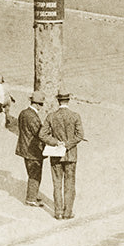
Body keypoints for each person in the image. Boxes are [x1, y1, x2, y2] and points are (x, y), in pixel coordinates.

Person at [41, 90, 84, 220]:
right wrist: (67, 144)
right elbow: (80, 135)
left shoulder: (51, 116)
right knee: (70, 184)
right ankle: (68, 212)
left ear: (58, 101)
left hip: (55, 155)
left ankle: (58, 212)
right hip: (70, 156)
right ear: (68, 100)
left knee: (57, 183)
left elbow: (42, 134)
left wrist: (55, 142)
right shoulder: (75, 116)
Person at [15, 91, 46, 207]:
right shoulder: (33, 116)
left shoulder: (23, 113)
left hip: (24, 147)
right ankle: (31, 198)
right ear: (38, 104)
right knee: (35, 174)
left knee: (31, 172)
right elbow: (39, 133)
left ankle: (34, 193)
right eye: (41, 105)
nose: (41, 107)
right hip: (33, 150)